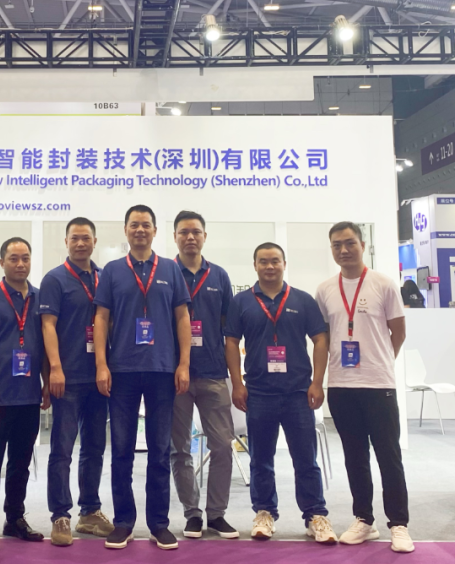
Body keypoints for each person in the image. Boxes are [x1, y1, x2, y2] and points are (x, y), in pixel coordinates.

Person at [224, 242, 336, 545]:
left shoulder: (302, 299)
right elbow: (231, 342)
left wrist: (317, 382)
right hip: (259, 393)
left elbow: (320, 339)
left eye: (275, 261)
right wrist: (237, 383)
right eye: (263, 261)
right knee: (261, 459)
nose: (269, 266)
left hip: (298, 392)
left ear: (284, 264)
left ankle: (315, 515)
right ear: (255, 266)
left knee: (306, 459)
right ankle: (264, 513)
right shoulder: (241, 302)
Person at [94, 204, 191, 551]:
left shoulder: (170, 269)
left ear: (154, 231)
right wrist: (101, 365)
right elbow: (101, 318)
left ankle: (159, 524)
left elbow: (182, 317)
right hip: (122, 370)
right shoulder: (112, 271)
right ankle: (123, 522)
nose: (140, 230)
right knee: (121, 450)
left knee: (160, 450)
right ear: (126, 230)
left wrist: (183, 364)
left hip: (163, 370)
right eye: (134, 224)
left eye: (145, 225)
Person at [314, 222, 412, 554]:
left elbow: (398, 332)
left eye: (349, 243)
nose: (343, 250)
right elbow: (324, 339)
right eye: (336, 245)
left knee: (388, 455)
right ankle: (364, 520)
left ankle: (398, 524)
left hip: (378, 385)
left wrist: (379, 361)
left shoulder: (384, 284)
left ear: (362, 245)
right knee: (355, 457)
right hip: (341, 386)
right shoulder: (325, 289)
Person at [40, 217, 114, 546]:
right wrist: (55, 369)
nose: (81, 243)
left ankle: (90, 511)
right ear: (66, 242)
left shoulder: (104, 278)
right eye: (75, 238)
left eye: (86, 238)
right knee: (62, 449)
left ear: (94, 241)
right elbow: (48, 326)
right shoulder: (55, 279)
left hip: (98, 377)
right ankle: (60, 515)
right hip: (67, 378)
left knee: (95, 448)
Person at [0, 237, 49, 552]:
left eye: (25, 258)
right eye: (14, 258)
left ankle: (14, 518)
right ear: (2, 262)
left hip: (29, 396)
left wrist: (46, 382)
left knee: (21, 462)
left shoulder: (41, 299)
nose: (20, 264)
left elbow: (45, 346)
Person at [168, 211, 237, 540]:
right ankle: (192, 514)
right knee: (179, 449)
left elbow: (229, 328)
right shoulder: (166, 273)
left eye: (196, 232)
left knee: (222, 445)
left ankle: (217, 514)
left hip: (212, 373)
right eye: (184, 232)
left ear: (205, 236)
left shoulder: (219, 276)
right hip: (175, 375)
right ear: (175, 237)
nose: (190, 237)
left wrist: (235, 378)